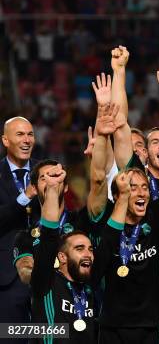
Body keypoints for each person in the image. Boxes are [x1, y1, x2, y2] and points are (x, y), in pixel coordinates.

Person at [90, 106, 159, 343]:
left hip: (149, 325)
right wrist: (101, 136)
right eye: (133, 187)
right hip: (111, 325)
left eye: (145, 188)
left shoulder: (156, 215)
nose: (141, 193)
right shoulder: (106, 216)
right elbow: (97, 177)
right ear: (117, 195)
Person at [30, 164, 97, 343]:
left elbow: (99, 192)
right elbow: (50, 236)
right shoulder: (46, 280)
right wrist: (52, 189)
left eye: (90, 249)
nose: (87, 254)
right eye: (79, 249)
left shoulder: (91, 284)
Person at [0, 116, 39, 338]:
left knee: (46, 336)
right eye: (20, 134)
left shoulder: (47, 171)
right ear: (5, 140)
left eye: (30, 134)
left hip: (44, 273)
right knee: (10, 336)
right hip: (7, 276)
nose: (27, 140)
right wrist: (24, 198)